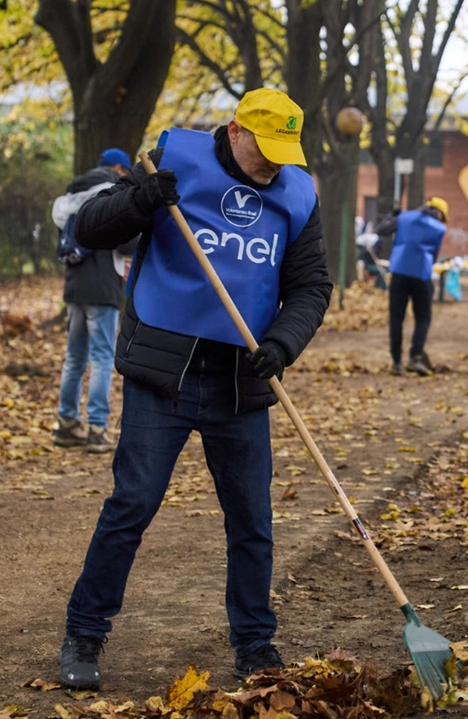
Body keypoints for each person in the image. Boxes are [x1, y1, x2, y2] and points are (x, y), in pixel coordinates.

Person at [55, 88, 332, 690]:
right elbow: (90, 229)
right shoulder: (173, 160)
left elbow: (312, 286)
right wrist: (139, 201)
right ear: (235, 131)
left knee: (252, 520)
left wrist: (282, 344)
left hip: (241, 383)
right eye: (265, 148)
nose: (274, 163)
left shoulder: (297, 193)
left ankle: (256, 644)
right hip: (164, 374)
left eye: (286, 150)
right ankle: (84, 631)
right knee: (132, 505)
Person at [51, 148, 140, 453]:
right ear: (118, 168)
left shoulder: (73, 193)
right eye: (126, 173)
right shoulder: (110, 193)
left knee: (75, 357)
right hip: (103, 287)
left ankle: (66, 424)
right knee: (102, 358)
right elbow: (126, 240)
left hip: (75, 286)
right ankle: (98, 428)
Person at [375, 197, 447, 377]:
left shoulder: (404, 218)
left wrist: (392, 215)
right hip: (421, 274)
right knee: (423, 317)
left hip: (399, 271)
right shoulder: (439, 228)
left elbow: (381, 230)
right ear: (439, 213)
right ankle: (415, 356)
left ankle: (396, 362)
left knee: (396, 317)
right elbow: (434, 255)